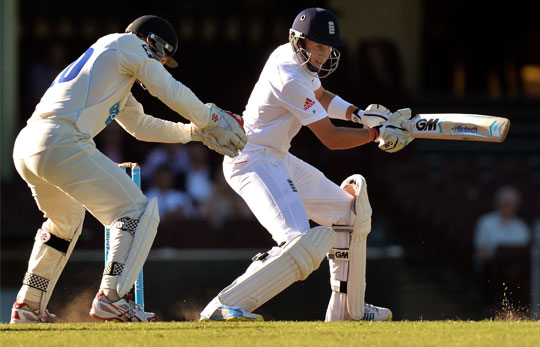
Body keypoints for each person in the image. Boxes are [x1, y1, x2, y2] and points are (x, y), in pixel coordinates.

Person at [10, 15, 246, 324]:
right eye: (162, 58)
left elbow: (139, 126)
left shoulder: (114, 68)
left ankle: (28, 305)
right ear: (152, 44)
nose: (161, 64)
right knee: (136, 211)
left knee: (65, 223)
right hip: (60, 140)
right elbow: (168, 90)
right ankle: (112, 298)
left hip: (30, 145)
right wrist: (210, 119)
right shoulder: (126, 45)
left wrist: (195, 132)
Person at [199, 8, 412, 322]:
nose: (326, 55)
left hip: (277, 157)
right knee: (299, 244)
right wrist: (376, 133)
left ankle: (348, 312)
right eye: (320, 47)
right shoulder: (288, 76)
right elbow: (331, 138)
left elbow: (321, 94)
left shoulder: (298, 59)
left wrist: (359, 114)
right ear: (299, 42)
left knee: (348, 212)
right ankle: (225, 306)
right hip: (252, 160)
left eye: (329, 48)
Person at [473, 186, 530, 265]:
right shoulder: (485, 222)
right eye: (506, 202)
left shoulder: (522, 227)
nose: (509, 205)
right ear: (498, 202)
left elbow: (524, 252)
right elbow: (479, 249)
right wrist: (497, 259)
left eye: (512, 203)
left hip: (516, 268)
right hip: (491, 267)